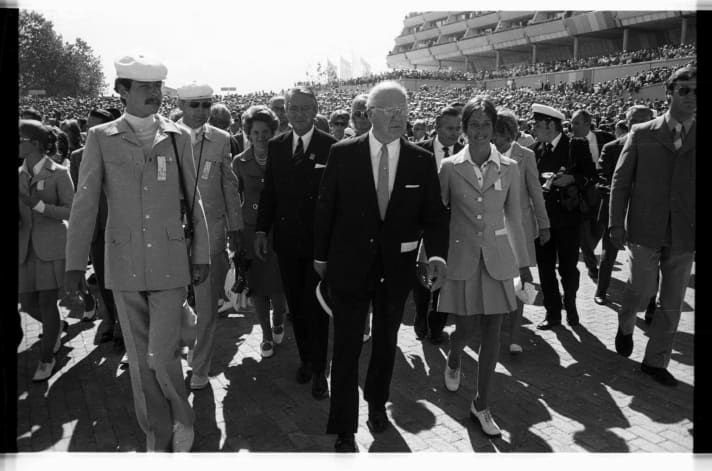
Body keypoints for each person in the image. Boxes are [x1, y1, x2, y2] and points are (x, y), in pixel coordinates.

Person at [64, 54, 210, 452]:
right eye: (144, 88)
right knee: (141, 359)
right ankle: (156, 433)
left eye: (158, 87)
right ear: (122, 91)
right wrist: (75, 264)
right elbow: (85, 203)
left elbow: (191, 198)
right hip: (124, 262)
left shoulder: (177, 135)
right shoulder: (100, 138)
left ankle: (183, 417)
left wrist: (202, 253)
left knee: (161, 355)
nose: (154, 95)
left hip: (169, 259)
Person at [314, 81, 448, 452]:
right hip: (348, 266)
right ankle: (343, 425)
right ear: (370, 115)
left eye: (403, 110)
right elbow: (325, 210)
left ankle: (376, 406)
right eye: (389, 111)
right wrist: (321, 259)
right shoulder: (343, 154)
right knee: (345, 348)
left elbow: (435, 217)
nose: (398, 117)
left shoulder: (421, 159)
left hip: (397, 269)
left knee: (386, 343)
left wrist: (435, 256)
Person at [437, 96, 529, 438]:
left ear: (494, 128)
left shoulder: (510, 167)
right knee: (465, 330)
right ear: (464, 129)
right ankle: (455, 353)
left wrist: (526, 265)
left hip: (498, 262)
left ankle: (481, 402)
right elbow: (436, 218)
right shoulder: (449, 168)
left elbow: (515, 219)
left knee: (493, 333)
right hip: (462, 261)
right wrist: (429, 258)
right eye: (473, 125)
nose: (479, 132)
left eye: (485, 125)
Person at [610, 65, 696, 387]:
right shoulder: (642, 132)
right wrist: (615, 224)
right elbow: (620, 183)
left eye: (696, 91)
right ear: (668, 92)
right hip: (645, 229)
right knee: (641, 290)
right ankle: (626, 321)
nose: (690, 97)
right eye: (683, 90)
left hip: (684, 233)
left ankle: (655, 361)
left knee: (671, 303)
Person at [255, 86, 337, 400]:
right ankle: (306, 358)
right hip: (287, 243)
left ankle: (319, 370)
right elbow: (270, 193)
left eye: (306, 108)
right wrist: (262, 230)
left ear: (315, 109)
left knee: (316, 307)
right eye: (294, 108)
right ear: (285, 111)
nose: (300, 114)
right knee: (297, 308)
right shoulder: (276, 146)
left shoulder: (331, 146)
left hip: (318, 245)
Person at [176, 82, 243, 390]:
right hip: (170, 237)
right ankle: (186, 340)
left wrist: (236, 228)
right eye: (194, 105)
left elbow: (229, 186)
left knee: (207, 304)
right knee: (172, 301)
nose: (201, 111)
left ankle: (200, 365)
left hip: (211, 233)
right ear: (181, 106)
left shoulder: (221, 139)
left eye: (206, 104)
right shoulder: (163, 136)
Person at [531, 103, 596, 330]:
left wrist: (573, 180)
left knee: (568, 268)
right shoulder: (535, 149)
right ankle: (553, 313)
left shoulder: (575, 145)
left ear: (550, 124)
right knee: (545, 268)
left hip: (568, 218)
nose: (534, 128)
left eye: (537, 124)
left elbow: (591, 175)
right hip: (543, 220)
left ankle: (571, 302)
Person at [19, 119, 74, 382]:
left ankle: (46, 358)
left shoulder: (59, 173)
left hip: (51, 247)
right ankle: (56, 330)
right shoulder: (19, 174)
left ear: (36, 144)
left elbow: (70, 209)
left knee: (46, 302)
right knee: (27, 303)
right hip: (25, 250)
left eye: (21, 139)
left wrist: (39, 207)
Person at [492, 109, 550, 354]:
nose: (493, 139)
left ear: (509, 133)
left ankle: (515, 334)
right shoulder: (483, 153)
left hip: (519, 228)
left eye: (498, 134)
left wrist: (544, 224)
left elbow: (536, 191)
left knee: (520, 280)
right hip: (492, 229)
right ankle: (495, 327)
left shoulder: (525, 156)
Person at [232, 105, 288, 358]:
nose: (260, 137)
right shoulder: (239, 161)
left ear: (273, 132)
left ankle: (279, 318)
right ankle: (265, 334)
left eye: (265, 132)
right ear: (248, 133)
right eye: (255, 132)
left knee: (278, 285)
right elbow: (235, 198)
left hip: (279, 229)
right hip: (251, 229)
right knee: (256, 285)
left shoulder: (284, 157)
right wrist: (234, 233)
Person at [593, 105, 654, 306]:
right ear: (628, 123)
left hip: (646, 214)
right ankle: (601, 291)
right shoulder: (611, 148)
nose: (641, 125)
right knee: (608, 255)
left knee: (651, 261)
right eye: (636, 121)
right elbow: (601, 178)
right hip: (616, 212)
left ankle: (652, 303)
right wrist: (620, 198)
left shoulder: (660, 149)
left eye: (646, 120)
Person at [69, 108, 120, 343]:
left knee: (123, 279)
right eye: (87, 127)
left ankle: (124, 325)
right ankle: (110, 319)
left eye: (94, 127)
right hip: (96, 230)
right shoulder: (77, 157)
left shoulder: (121, 152)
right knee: (103, 278)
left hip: (120, 225)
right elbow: (78, 197)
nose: (89, 132)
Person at [413, 105, 463, 344]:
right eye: (449, 128)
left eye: (458, 128)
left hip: (452, 226)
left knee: (446, 276)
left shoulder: (466, 153)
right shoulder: (416, 151)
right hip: (420, 225)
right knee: (422, 274)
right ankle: (421, 315)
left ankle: (437, 324)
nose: (454, 133)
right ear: (437, 127)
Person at [570, 109, 615, 283]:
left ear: (588, 123)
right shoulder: (570, 142)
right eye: (572, 123)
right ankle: (591, 266)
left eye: (577, 123)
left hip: (602, 189)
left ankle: (589, 250)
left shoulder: (606, 138)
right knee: (582, 231)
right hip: (581, 191)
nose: (572, 126)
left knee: (598, 227)